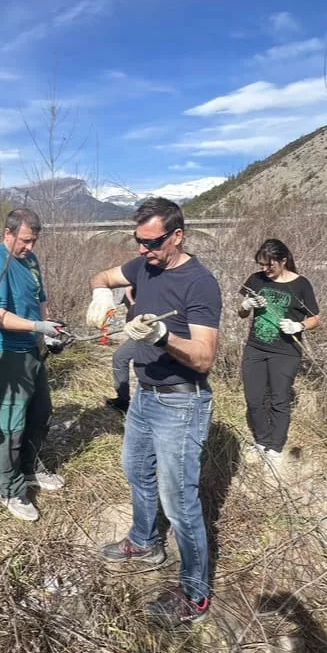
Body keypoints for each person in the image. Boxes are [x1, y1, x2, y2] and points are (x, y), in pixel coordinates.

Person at [85, 197, 221, 627]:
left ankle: (195, 595)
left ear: (177, 236)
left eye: (152, 242)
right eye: (138, 241)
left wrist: (162, 335)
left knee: (179, 501)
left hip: (182, 402)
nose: (143, 250)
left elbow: (205, 357)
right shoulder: (143, 265)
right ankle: (145, 542)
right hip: (145, 395)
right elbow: (103, 275)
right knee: (136, 471)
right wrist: (101, 292)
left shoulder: (200, 283)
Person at [0, 208, 66, 522]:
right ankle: (9, 489)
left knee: (40, 413)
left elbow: (40, 299)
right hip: (6, 353)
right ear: (8, 233)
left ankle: (28, 469)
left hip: (31, 349)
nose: (30, 247)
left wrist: (49, 331)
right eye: (25, 240)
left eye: (34, 241)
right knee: (12, 426)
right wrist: (36, 327)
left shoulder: (30, 260)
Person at [237, 239, 321, 475]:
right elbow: (240, 313)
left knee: (279, 400)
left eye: (270, 265)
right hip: (255, 348)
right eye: (262, 265)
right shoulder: (256, 280)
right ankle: (262, 441)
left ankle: (275, 448)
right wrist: (246, 304)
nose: (265, 269)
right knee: (253, 399)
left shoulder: (301, 284)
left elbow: (316, 318)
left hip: (286, 352)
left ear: (283, 260)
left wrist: (299, 325)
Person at [105, 286, 137, 415]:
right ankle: (123, 401)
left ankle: (124, 402)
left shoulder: (145, 286)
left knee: (121, 357)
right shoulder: (129, 287)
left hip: (150, 332)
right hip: (139, 332)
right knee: (120, 357)